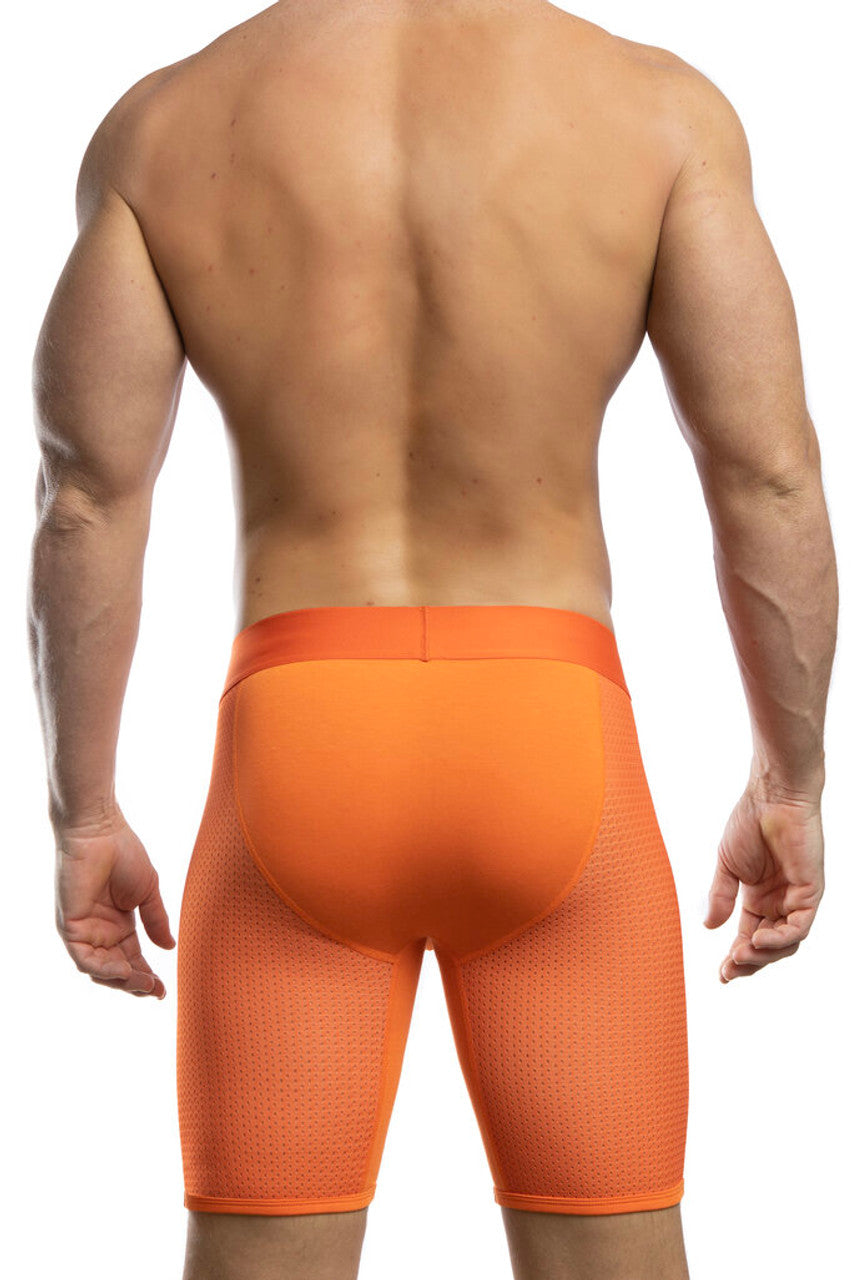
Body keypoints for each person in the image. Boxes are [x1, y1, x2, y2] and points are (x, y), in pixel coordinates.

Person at [27, 2, 837, 1278]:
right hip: (548, 737)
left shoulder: (167, 123)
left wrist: (83, 813)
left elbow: (85, 499)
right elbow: (768, 478)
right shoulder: (656, 110)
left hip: (300, 745)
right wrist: (789, 781)